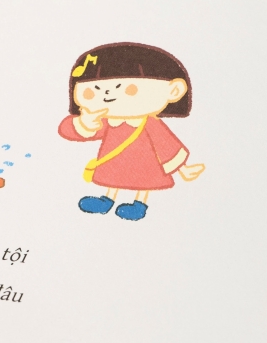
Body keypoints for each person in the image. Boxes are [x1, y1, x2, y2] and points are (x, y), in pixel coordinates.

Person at [58, 42, 204, 220]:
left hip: (145, 164)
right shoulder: (108, 120)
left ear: (174, 91)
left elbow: (166, 146)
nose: (108, 95)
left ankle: (139, 204)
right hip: (113, 163)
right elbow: (70, 130)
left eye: (129, 89)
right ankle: (107, 199)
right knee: (112, 178)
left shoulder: (149, 124)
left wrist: (182, 168)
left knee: (143, 181)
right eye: (92, 92)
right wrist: (84, 123)